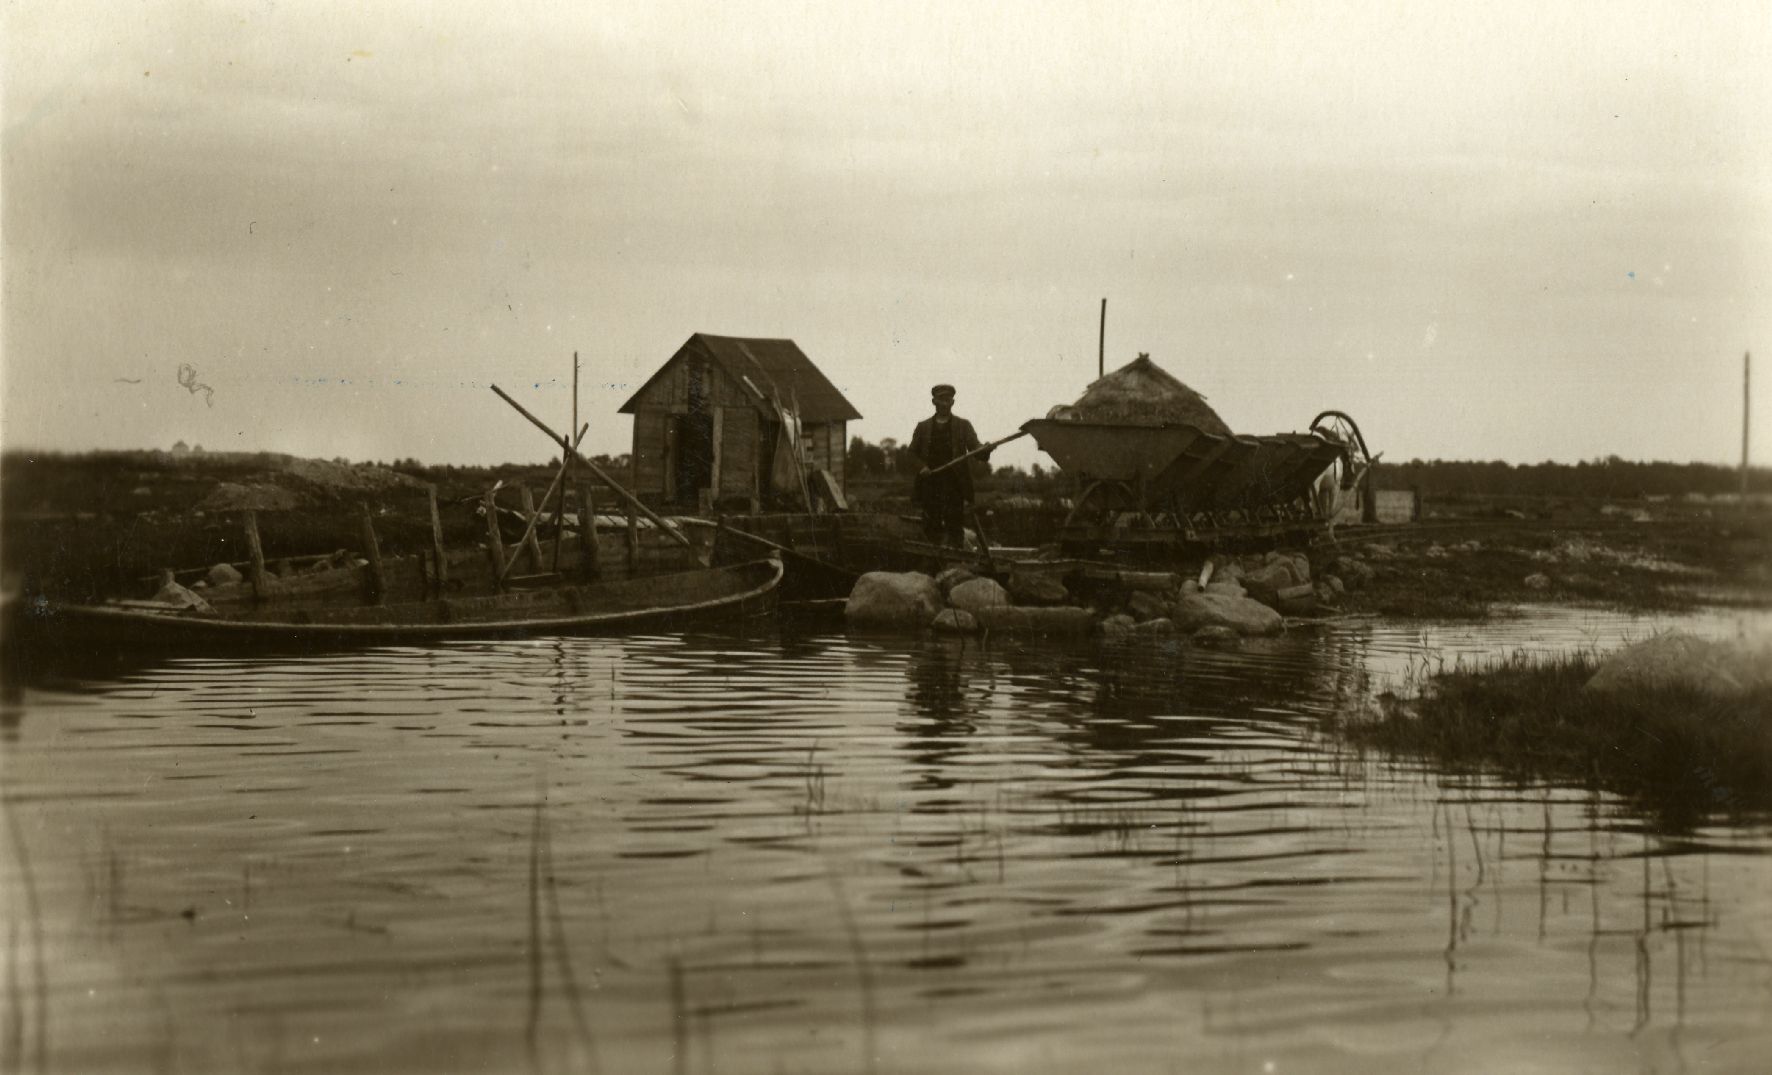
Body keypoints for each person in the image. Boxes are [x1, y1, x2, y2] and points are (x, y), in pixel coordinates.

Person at [910, 383, 989, 547]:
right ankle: (934, 567)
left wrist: (986, 449)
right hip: (930, 484)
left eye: (948, 399)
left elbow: (976, 448)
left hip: (955, 486)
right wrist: (922, 467)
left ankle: (956, 566)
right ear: (934, 402)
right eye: (941, 399)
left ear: (953, 402)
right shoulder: (922, 427)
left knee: (955, 527)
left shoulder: (963, 426)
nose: (945, 403)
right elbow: (911, 454)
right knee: (932, 528)